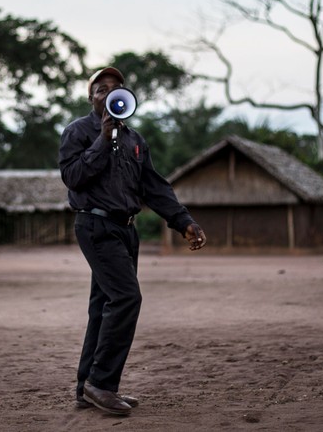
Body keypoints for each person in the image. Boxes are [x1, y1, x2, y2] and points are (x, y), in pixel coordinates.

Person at [58, 66, 207, 416]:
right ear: (91, 97)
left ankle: (86, 387)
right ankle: (102, 384)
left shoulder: (134, 140)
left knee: (104, 306)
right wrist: (101, 141)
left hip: (126, 230)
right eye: (101, 89)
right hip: (95, 226)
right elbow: (74, 177)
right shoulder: (77, 132)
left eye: (116, 88)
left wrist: (183, 221)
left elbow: (154, 187)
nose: (110, 93)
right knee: (126, 298)